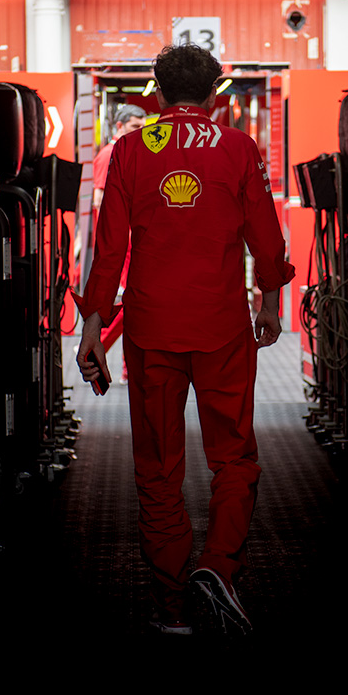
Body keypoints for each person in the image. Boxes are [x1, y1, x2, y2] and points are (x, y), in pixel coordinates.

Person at [76, 44, 294, 636]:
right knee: (234, 457)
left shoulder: (130, 149)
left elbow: (110, 250)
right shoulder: (239, 147)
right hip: (221, 326)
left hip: (151, 328)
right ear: (215, 92)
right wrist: (270, 304)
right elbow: (266, 240)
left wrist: (93, 325)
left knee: (158, 466)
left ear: (158, 91)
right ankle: (218, 566)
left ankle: (171, 607)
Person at [89, 103, 148, 383]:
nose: (140, 132)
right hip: (122, 245)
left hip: (130, 241)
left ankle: (127, 368)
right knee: (129, 302)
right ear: (120, 126)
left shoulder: (127, 152)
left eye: (142, 127)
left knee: (134, 306)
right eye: (135, 127)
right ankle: (95, 346)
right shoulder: (110, 154)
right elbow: (100, 201)